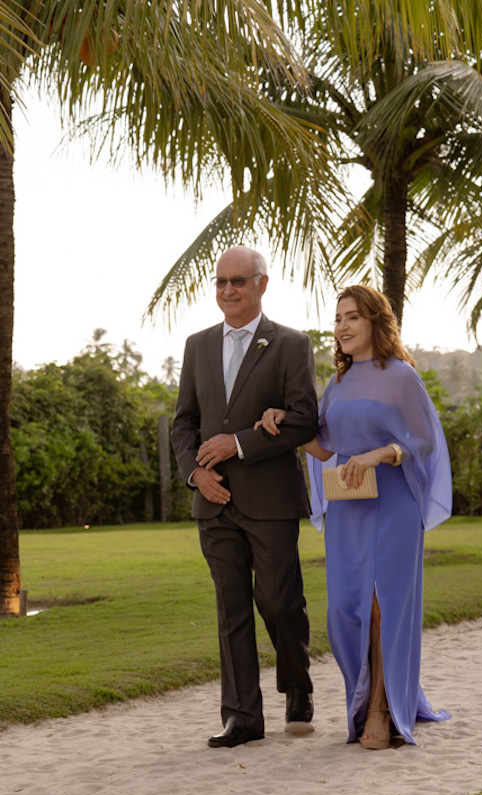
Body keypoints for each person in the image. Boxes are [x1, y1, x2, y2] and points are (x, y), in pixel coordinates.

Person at [255, 285, 452, 750]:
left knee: (382, 605)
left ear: (375, 322)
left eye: (353, 317)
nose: (342, 327)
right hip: (348, 507)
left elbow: (424, 441)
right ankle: (367, 698)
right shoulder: (337, 384)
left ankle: (380, 709)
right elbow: (326, 448)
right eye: (338, 318)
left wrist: (380, 454)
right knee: (346, 610)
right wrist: (283, 422)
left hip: (394, 504)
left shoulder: (402, 376)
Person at [171, 246, 318, 749]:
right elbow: (183, 423)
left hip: (272, 500)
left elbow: (303, 420)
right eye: (221, 282)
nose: (228, 290)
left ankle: (297, 684)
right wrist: (195, 474)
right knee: (231, 609)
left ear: (262, 284)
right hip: (213, 502)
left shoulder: (291, 344)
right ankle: (242, 717)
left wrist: (237, 444)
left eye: (238, 280)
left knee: (278, 602)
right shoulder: (197, 346)